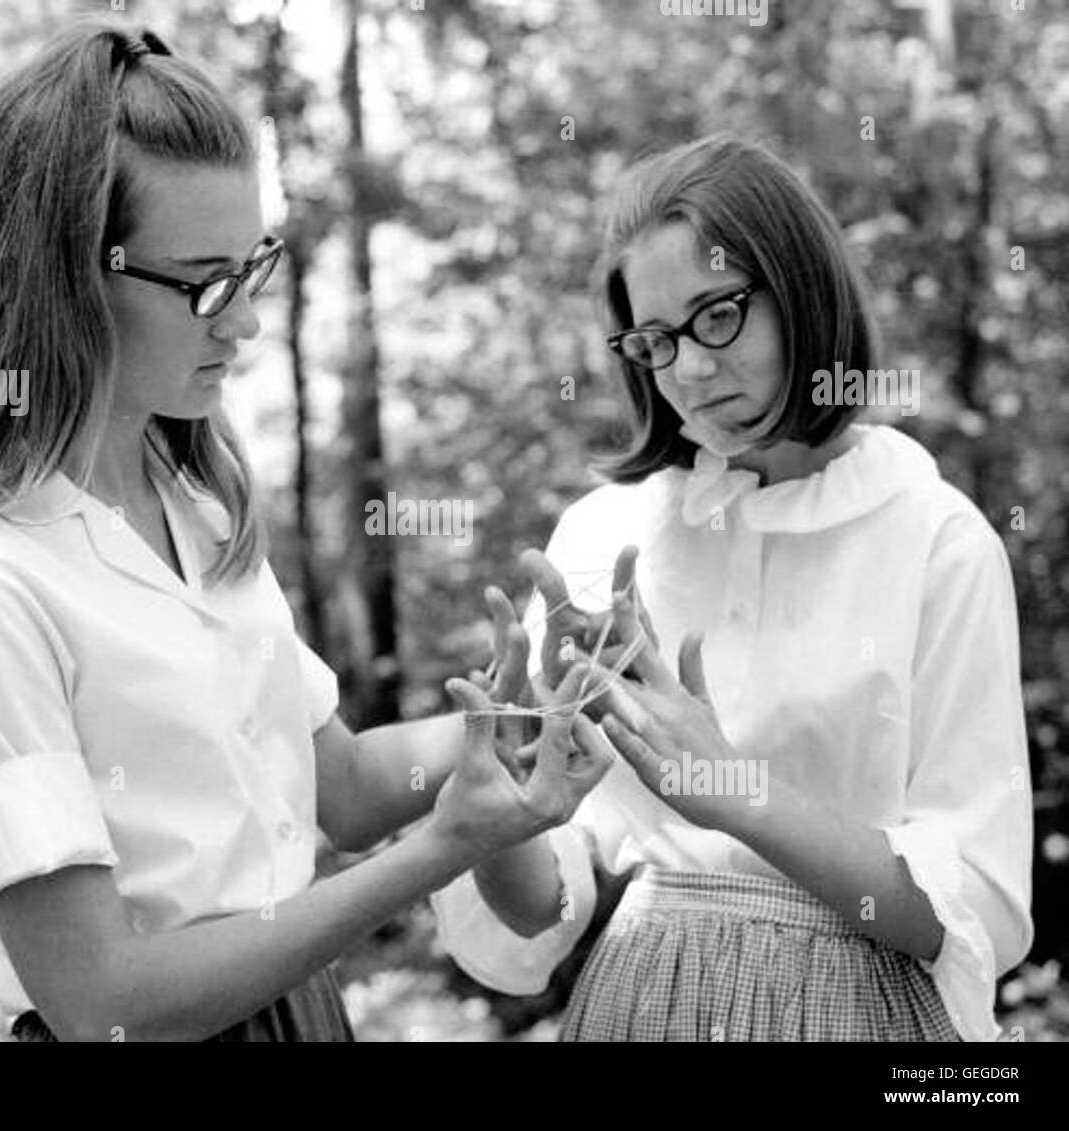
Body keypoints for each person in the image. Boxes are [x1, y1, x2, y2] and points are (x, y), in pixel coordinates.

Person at [0, 20, 613, 1043]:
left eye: (254, 270)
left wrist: (504, 721)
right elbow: (103, 1005)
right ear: (61, 278)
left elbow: (338, 786)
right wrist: (429, 857)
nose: (242, 322)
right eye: (204, 282)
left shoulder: (196, 509)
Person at [431, 135, 1034, 1042]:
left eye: (718, 316)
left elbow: (979, 913)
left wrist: (730, 788)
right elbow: (537, 915)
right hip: (640, 1007)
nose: (691, 371)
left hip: (869, 1018)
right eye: (657, 340)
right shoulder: (607, 536)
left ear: (802, 290)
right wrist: (505, 810)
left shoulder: (938, 542)